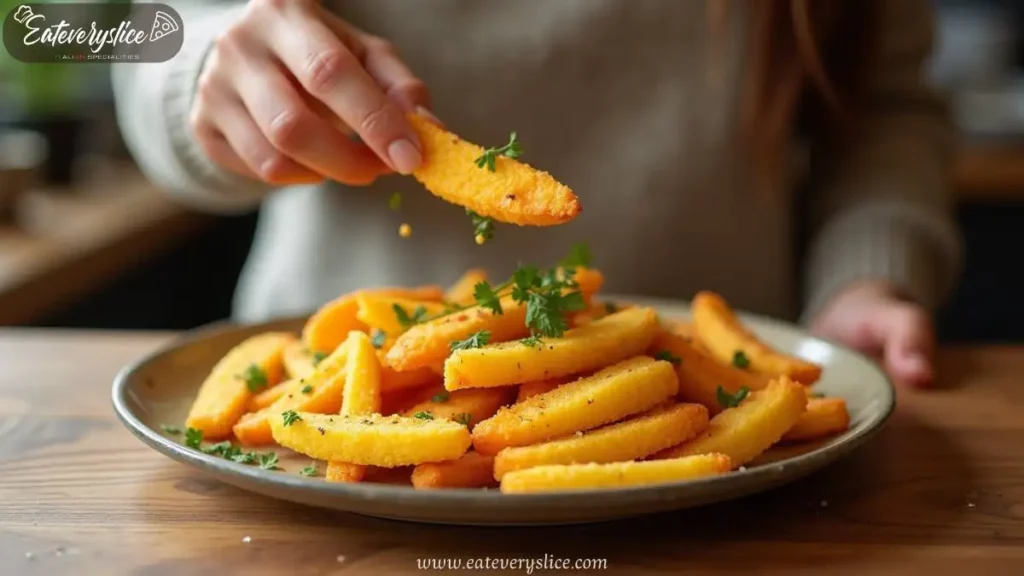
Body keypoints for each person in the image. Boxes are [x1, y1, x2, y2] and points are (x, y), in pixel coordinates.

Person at [112, 0, 961, 388]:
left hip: (725, 422)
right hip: (318, 416)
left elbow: (884, 107)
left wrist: (866, 273)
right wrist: (203, 68)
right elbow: (144, 32)